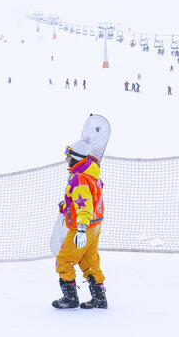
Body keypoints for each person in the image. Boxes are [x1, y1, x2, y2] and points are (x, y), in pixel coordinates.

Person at [52, 114, 111, 309]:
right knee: (89, 262)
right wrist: (66, 207)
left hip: (83, 228)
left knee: (64, 260)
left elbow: (84, 205)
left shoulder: (79, 179)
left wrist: (81, 229)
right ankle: (100, 298)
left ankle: (70, 298)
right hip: (95, 226)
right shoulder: (91, 175)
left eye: (68, 157)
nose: (66, 159)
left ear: (75, 158)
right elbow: (89, 201)